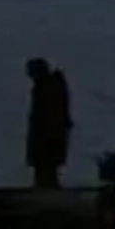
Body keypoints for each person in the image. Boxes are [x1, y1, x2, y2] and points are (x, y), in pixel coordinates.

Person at [24, 57, 73, 188]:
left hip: (47, 142)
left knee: (46, 173)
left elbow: (48, 118)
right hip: (50, 140)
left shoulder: (46, 89)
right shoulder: (49, 87)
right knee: (47, 174)